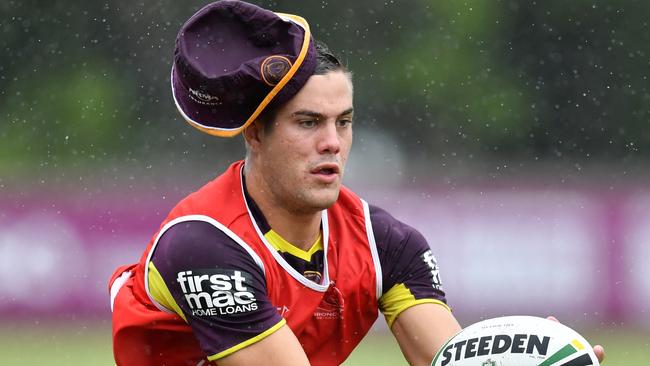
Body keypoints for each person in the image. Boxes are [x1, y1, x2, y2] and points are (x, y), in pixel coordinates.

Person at [108, 1, 605, 365]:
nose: (332, 143)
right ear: (255, 132)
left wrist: (533, 359)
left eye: (343, 122)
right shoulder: (202, 244)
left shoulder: (387, 245)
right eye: (308, 123)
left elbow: (448, 359)